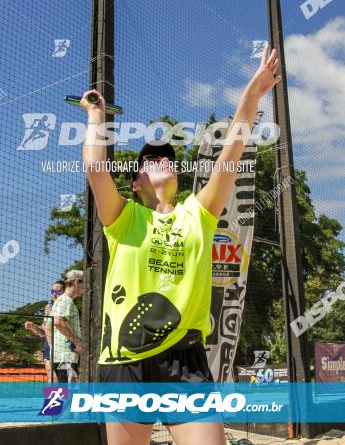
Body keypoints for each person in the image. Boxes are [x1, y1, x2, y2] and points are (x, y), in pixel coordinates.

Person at [79, 46, 280, 445]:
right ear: (135, 183)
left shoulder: (197, 214)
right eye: (150, 159)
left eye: (167, 157)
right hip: (126, 361)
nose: (161, 160)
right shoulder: (123, 218)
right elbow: (94, 168)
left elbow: (231, 156)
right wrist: (96, 116)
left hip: (184, 359)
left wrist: (252, 97)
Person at [25, 280, 65, 382]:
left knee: (64, 379)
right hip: (49, 348)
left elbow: (64, 324)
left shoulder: (66, 306)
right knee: (51, 377)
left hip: (63, 349)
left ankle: (68, 398)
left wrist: (53, 311)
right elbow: (44, 332)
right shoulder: (48, 307)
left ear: (64, 292)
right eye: (53, 291)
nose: (54, 294)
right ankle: (53, 399)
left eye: (58, 292)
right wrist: (33, 327)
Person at [50, 271, 83, 382]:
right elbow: (58, 322)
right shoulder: (66, 300)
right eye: (85, 283)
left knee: (62, 392)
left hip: (61, 355)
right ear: (77, 282)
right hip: (65, 355)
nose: (85, 288)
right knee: (70, 392)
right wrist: (77, 342)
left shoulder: (61, 300)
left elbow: (47, 326)